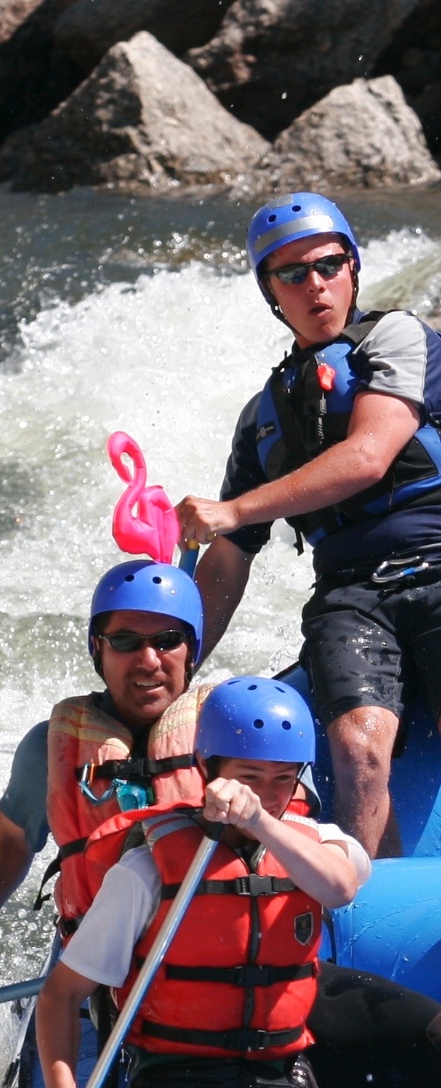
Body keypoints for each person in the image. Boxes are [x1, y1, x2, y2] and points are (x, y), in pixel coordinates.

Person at [36, 677, 432, 1088]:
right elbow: (62, 993)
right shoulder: (149, 869)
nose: (266, 793)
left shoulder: (316, 843)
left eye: (281, 779)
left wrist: (259, 820)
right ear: (206, 769)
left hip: (283, 1084)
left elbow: (339, 887)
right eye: (248, 777)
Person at [177, 191, 441, 860]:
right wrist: (173, 670)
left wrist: (232, 510)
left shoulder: (398, 338)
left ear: (351, 267)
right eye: (290, 273)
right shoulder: (260, 417)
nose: (313, 285)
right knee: (354, 743)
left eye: (326, 265)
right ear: (269, 290)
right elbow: (228, 561)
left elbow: (369, 453)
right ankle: (368, 908)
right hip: (351, 596)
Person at [0, 560, 209, 1025]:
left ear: (191, 650)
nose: (148, 660)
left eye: (167, 641)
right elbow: (10, 838)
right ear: (97, 649)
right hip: (106, 971)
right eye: (125, 641)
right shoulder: (51, 749)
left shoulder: (235, 732)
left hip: (221, 958)